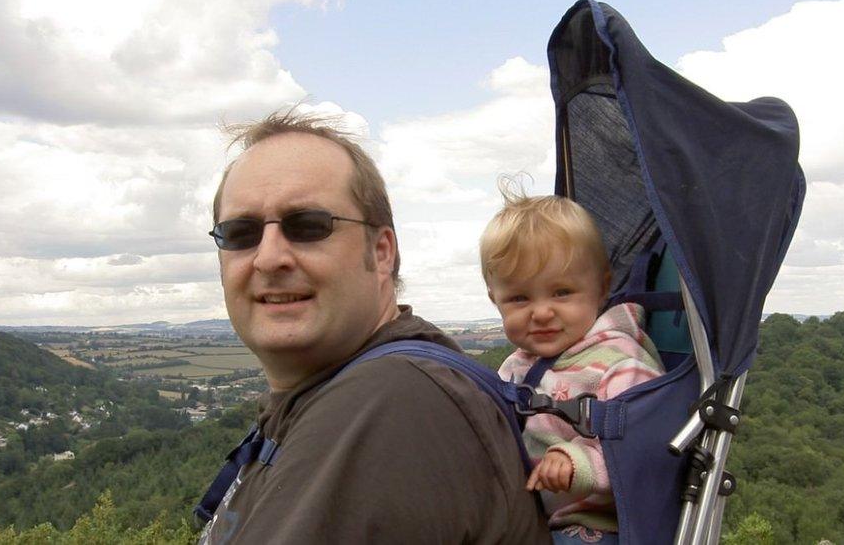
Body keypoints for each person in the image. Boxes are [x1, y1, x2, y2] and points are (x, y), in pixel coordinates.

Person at [199, 108, 551, 544]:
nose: (269, 257)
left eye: (308, 225)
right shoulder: (325, 395)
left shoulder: (391, 401)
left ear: (382, 252)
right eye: (240, 233)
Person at [480, 191, 665, 544]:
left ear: (601, 287)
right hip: (532, 515)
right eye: (520, 298)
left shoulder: (621, 363)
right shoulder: (517, 367)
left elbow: (644, 453)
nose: (542, 312)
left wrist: (576, 461)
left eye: (562, 292)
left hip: (599, 523)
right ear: (495, 299)